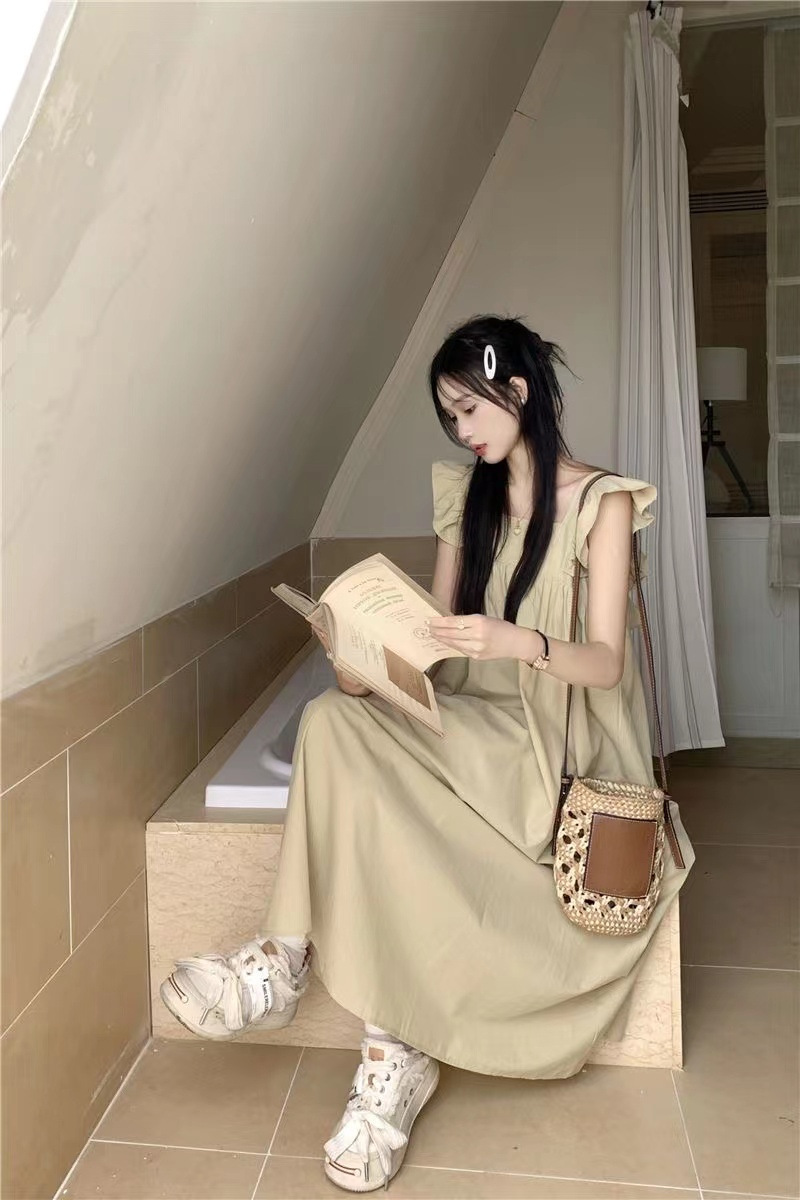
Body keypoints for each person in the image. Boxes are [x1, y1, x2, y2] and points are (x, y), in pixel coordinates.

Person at [159, 314, 695, 1193]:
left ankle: (380, 1041)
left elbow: (607, 664)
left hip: (562, 734)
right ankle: (285, 958)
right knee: (332, 720)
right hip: (475, 719)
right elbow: (431, 649)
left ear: (517, 391)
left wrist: (517, 643)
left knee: (367, 762)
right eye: (449, 417)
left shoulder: (602, 504)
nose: (461, 430)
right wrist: (361, 661)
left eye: (469, 409)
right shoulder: (466, 500)